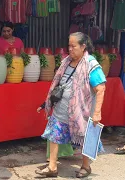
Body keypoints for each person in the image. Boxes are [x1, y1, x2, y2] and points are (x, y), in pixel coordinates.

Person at [34, 32, 106, 178]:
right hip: (61, 109)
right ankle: (52, 167)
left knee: (85, 138)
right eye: (69, 45)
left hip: (82, 112)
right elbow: (59, 84)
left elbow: (101, 88)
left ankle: (85, 167)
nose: (70, 49)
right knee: (54, 135)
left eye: (73, 46)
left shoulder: (91, 64)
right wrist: (47, 102)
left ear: (83, 46)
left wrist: (97, 112)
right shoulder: (66, 62)